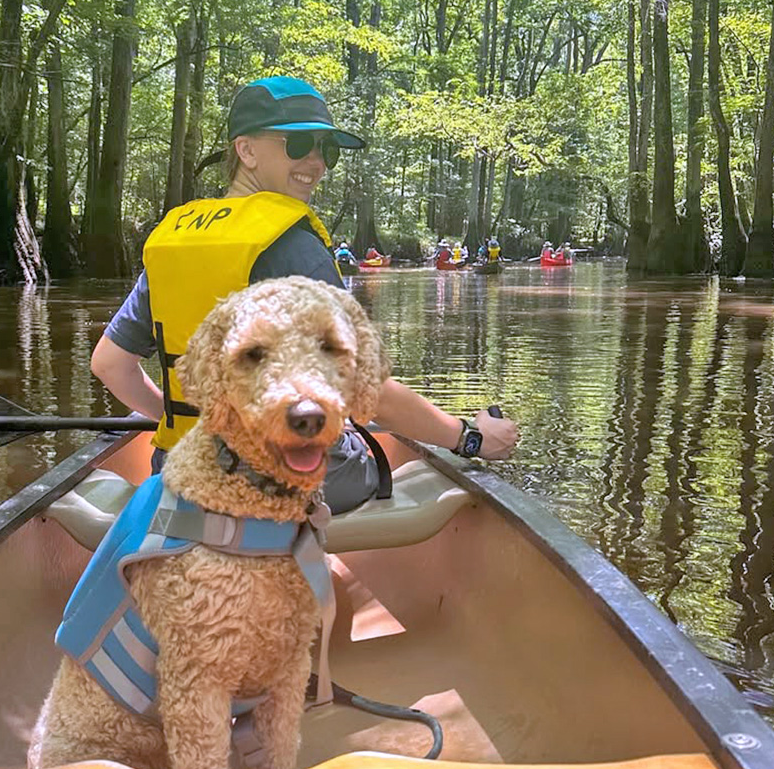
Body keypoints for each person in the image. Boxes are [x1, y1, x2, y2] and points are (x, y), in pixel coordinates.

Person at [90, 76, 518, 513]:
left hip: (181, 471)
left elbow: (110, 364)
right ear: (246, 150)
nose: (316, 162)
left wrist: (181, 418)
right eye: (297, 145)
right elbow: (368, 394)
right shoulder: (291, 244)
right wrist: (469, 436)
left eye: (325, 149)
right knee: (400, 465)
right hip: (285, 481)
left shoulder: (175, 240)